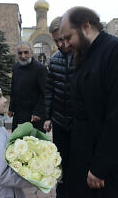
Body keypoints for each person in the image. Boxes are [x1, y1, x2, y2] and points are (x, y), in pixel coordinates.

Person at [60, 7, 118, 198]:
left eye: (68, 37)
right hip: (87, 163)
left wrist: (100, 166)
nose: (65, 44)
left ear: (85, 27)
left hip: (111, 172)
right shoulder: (85, 56)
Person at [43, 16, 74, 198]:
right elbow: (49, 92)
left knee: (77, 165)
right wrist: (47, 117)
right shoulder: (54, 60)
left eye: (63, 39)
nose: (61, 44)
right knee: (61, 164)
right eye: (56, 41)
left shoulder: (83, 56)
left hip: (78, 123)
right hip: (60, 123)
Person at [8, 42, 47, 132]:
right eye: (20, 53)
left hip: (34, 116)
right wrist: (11, 107)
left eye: (26, 52)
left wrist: (38, 112)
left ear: (31, 52)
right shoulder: (16, 67)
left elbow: (45, 93)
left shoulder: (40, 69)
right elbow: (14, 89)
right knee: (17, 143)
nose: (23, 56)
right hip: (19, 114)